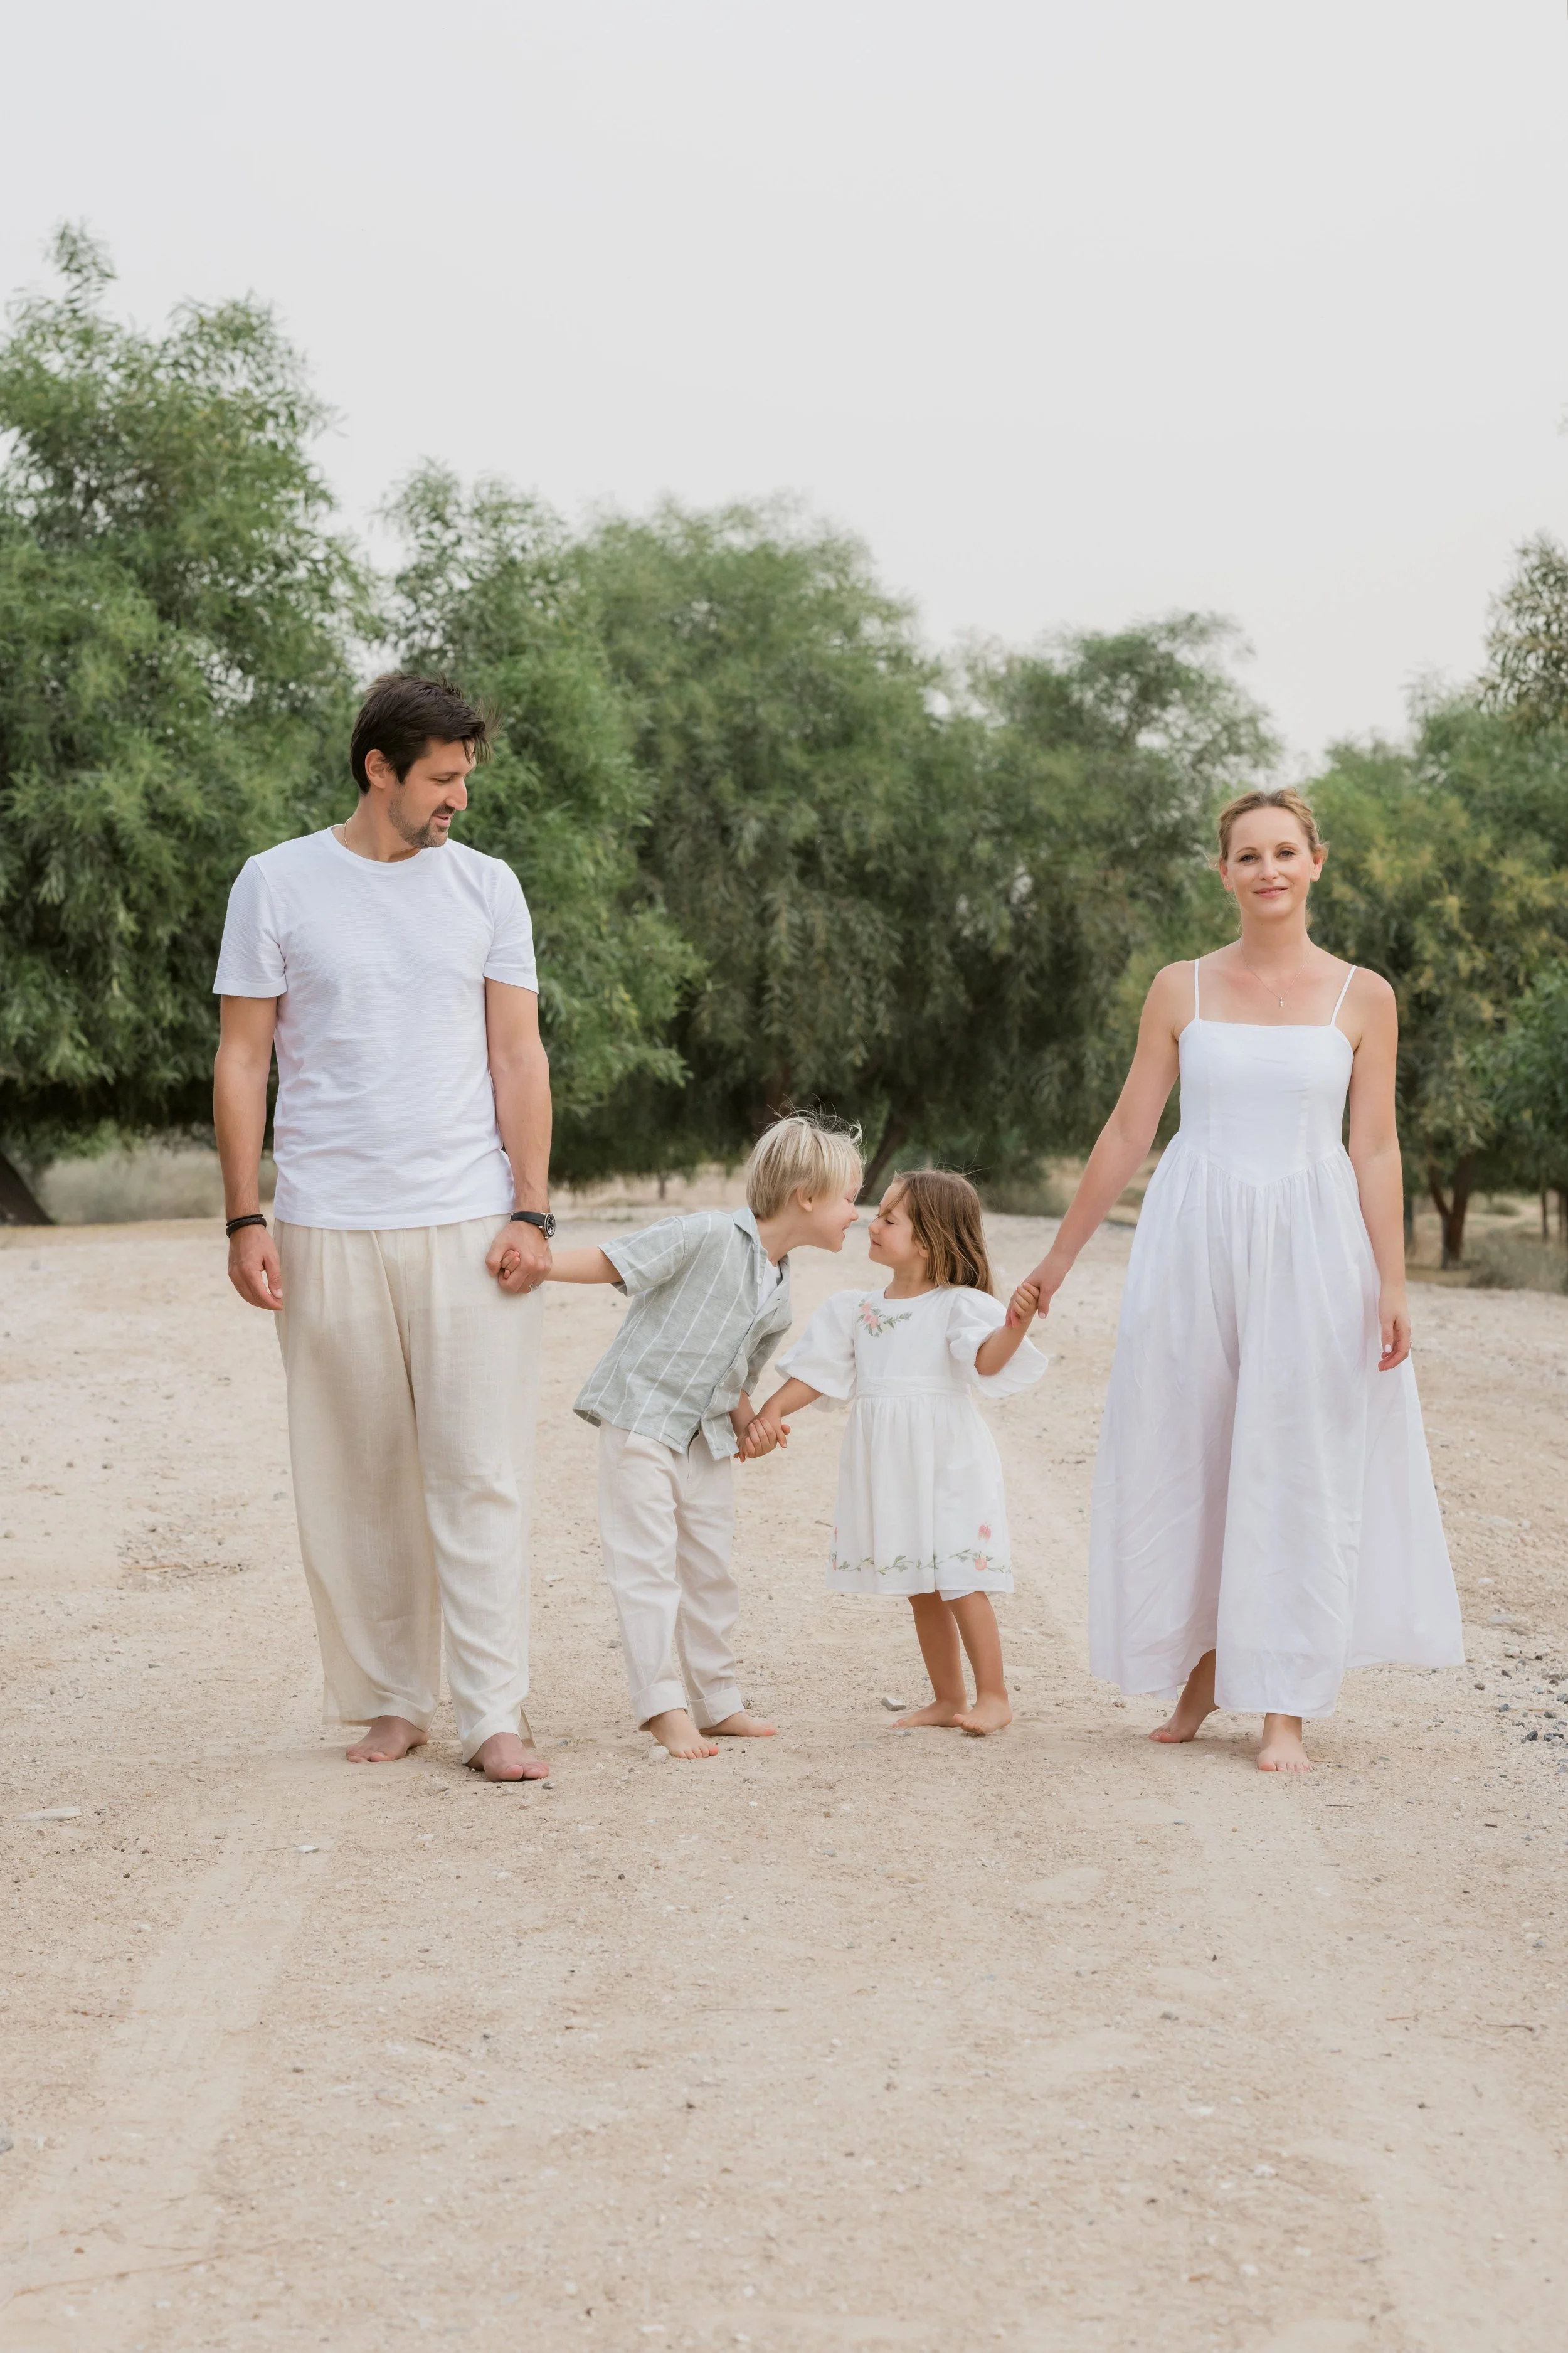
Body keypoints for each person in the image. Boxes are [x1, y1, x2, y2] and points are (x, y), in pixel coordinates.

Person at [1020, 786, 1464, 1772]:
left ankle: (1285, 1701)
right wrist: (1059, 1256)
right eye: (1247, 854)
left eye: (1284, 851)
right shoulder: (1180, 987)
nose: (1268, 868)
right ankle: (1203, 1665)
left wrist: (1393, 1280)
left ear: (1317, 862)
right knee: (1195, 1447)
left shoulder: (1364, 995)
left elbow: (1376, 1146)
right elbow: (1131, 1129)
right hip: (1193, 1233)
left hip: (1313, 1241)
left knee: (1296, 1455)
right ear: (1223, 872)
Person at [212, 673, 555, 1782]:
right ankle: (390, 1700)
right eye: (443, 778)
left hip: (466, 1216)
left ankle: (495, 1709)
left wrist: (533, 1207)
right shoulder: (275, 884)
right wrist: (243, 1215)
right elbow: (243, 1058)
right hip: (324, 1220)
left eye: (465, 777)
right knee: (354, 1474)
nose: (459, 798)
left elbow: (518, 1055)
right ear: (380, 769)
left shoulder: (490, 888)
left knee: (479, 1469)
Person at [547, 1115, 862, 1758]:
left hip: (704, 1441)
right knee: (646, 1570)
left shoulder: (779, 1290)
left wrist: (750, 1424)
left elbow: (736, 1376)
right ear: (806, 1196)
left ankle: (717, 1702)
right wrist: (537, 1263)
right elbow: (615, 1259)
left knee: (710, 1571)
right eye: (849, 1198)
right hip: (642, 1419)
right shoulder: (707, 1234)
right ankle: (663, 1708)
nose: (855, 1213)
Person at [744, 1170, 1047, 1736]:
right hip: (893, 1465)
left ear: (930, 1238)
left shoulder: (958, 1305)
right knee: (921, 1583)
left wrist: (1016, 1322)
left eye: (889, 1218)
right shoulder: (858, 1310)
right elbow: (818, 1374)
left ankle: (995, 1696)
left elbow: (987, 1362)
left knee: (959, 1575)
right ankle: (947, 1696)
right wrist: (772, 1411)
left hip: (949, 1460)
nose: (870, 1222)